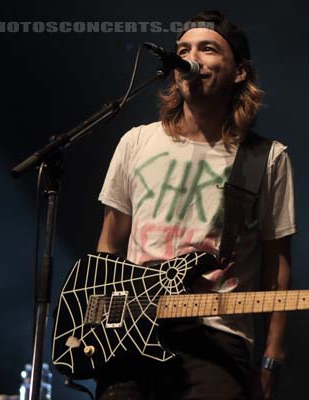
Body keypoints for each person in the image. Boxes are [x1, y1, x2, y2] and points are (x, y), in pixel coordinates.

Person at [94, 10, 296, 400]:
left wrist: (272, 357)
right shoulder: (137, 142)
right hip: (134, 331)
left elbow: (279, 267)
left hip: (217, 337)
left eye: (208, 49)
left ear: (239, 71)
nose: (192, 57)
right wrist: (103, 324)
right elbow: (108, 245)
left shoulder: (267, 159)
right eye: (183, 50)